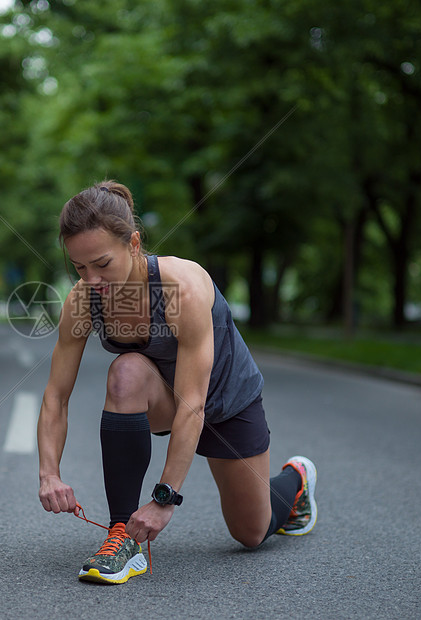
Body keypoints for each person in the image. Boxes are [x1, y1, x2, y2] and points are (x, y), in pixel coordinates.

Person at [37, 180, 318, 584]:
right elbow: (56, 396)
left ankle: (297, 480)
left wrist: (163, 499)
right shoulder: (83, 299)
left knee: (251, 533)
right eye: (79, 267)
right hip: (161, 398)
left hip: (223, 403)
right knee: (126, 372)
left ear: (133, 244)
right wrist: (49, 473)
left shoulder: (180, 289)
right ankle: (122, 538)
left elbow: (194, 404)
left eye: (101, 263)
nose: (91, 279)